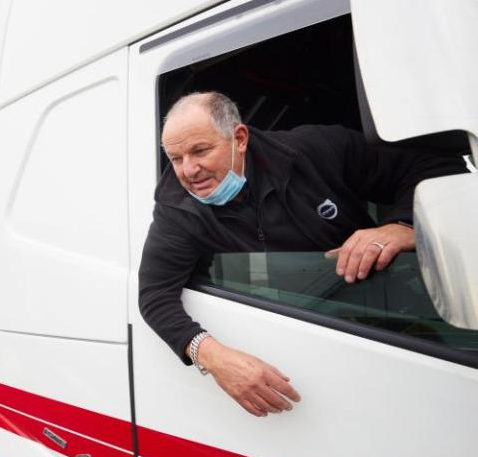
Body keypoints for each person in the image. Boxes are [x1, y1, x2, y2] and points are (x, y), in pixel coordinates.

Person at [138, 92, 467, 417]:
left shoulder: (315, 150)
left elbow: (436, 165)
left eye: (200, 151)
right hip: (301, 341)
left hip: (396, 321)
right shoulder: (177, 209)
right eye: (176, 158)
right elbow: (155, 294)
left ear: (239, 138)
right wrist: (213, 357)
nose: (188, 170)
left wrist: (403, 224)